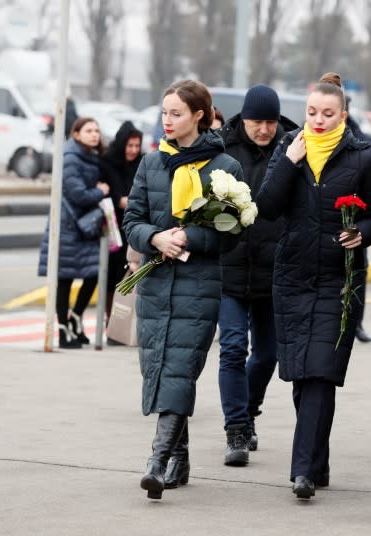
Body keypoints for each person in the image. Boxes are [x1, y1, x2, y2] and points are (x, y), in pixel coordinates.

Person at [256, 72, 371, 500]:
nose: (318, 120)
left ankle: (302, 471)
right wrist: (289, 162)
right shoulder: (288, 149)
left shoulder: (361, 158)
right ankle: (317, 460)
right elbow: (267, 208)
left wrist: (361, 233)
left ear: (343, 116)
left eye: (328, 114)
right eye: (312, 112)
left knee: (320, 373)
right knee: (300, 374)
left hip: (339, 280)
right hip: (292, 277)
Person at [123, 79, 244, 500]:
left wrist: (191, 238)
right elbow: (132, 221)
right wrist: (156, 238)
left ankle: (156, 462)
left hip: (199, 284)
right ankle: (181, 457)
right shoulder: (152, 163)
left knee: (180, 366)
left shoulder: (225, 168)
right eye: (164, 113)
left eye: (176, 113)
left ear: (199, 115)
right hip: (157, 281)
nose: (167, 121)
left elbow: (231, 234)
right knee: (160, 366)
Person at [216, 85, 298, 466]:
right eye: (256, 122)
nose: (263, 129)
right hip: (228, 268)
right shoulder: (221, 148)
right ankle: (236, 428)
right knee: (232, 347)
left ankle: (248, 411)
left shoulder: (292, 148)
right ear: (244, 119)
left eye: (269, 122)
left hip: (273, 270)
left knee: (267, 355)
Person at [38, 117, 110, 348]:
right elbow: (77, 194)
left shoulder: (91, 156)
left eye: (97, 130)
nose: (94, 134)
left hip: (84, 227)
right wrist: (100, 192)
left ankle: (75, 318)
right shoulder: (71, 158)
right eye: (88, 130)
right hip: (68, 226)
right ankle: (62, 330)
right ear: (76, 134)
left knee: (93, 274)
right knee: (65, 277)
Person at [102, 121, 144, 330]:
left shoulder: (142, 163)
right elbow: (109, 193)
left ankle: (124, 324)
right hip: (112, 227)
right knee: (111, 276)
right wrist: (119, 199)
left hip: (133, 226)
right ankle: (111, 321)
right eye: (130, 146)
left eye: (137, 146)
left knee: (128, 274)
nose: (134, 150)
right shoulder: (108, 162)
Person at [345, 95, 371, 343]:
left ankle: (356, 322)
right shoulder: (305, 133)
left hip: (355, 216)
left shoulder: (357, 135)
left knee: (357, 272)